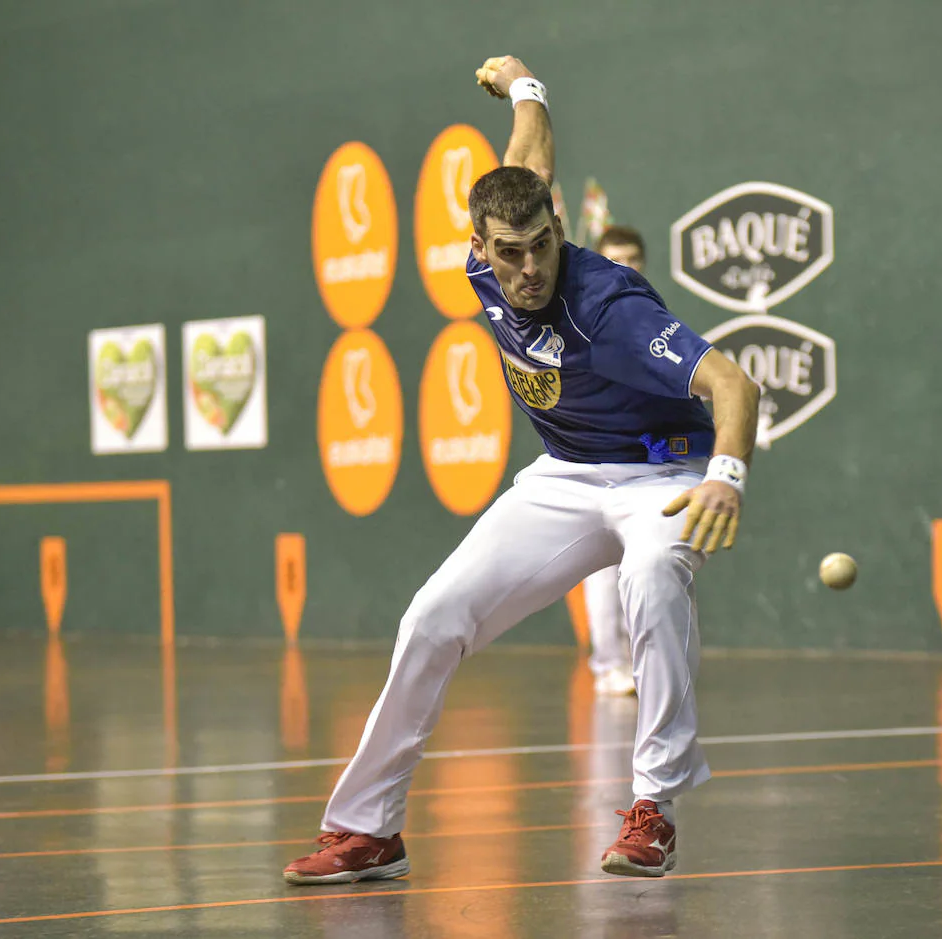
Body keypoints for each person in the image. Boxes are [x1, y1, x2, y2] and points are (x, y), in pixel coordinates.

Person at [283, 55, 758, 885]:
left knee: (650, 572)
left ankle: (655, 810)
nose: (531, 267)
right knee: (434, 613)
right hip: (566, 474)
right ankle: (367, 830)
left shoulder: (610, 305)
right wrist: (526, 87)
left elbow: (733, 382)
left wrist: (727, 475)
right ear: (481, 246)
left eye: (543, 244)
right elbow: (529, 160)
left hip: (664, 476)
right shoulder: (489, 259)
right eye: (511, 252)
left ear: (557, 230)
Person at [581, 225, 651, 697]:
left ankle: (647, 662)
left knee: (651, 562)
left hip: (646, 457)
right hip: (594, 456)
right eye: (613, 259)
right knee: (604, 566)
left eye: (631, 259)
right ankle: (609, 664)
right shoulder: (583, 315)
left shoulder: (653, 314)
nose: (623, 268)